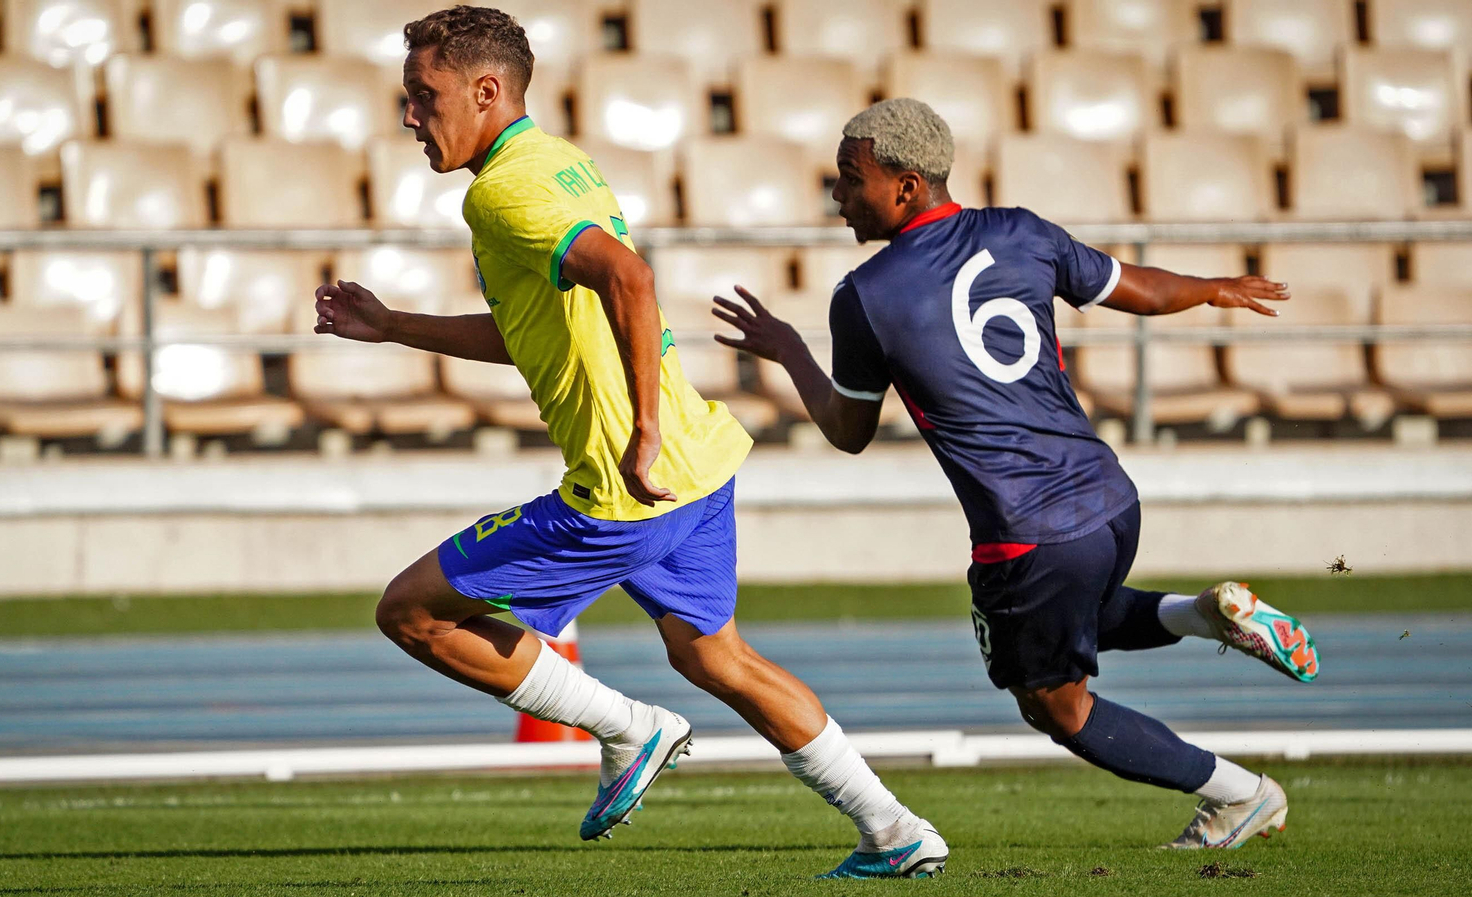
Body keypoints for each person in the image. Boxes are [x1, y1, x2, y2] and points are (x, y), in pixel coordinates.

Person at [313, 7, 944, 879]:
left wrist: (639, 433)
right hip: (698, 462)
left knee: (411, 612)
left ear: (486, 90)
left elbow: (631, 280)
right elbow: (536, 328)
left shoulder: (500, 192)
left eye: (425, 94)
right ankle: (894, 827)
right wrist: (395, 327)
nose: (411, 116)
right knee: (717, 656)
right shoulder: (561, 162)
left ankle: (628, 726)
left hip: (627, 484)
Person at [713, 97, 1322, 850]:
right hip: (1110, 501)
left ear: (906, 187)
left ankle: (1241, 795)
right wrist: (1212, 287)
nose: (837, 195)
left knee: (1056, 706)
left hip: (1025, 534)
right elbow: (1137, 287)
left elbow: (847, 431)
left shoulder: (864, 296)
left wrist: (788, 351)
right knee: (1082, 616)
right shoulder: (1021, 231)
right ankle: (1203, 615)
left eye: (849, 178)